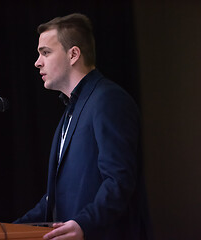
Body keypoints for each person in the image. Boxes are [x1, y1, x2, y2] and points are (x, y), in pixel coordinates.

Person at [14, 13, 152, 240]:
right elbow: (55, 198)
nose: (37, 62)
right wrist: (5, 230)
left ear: (73, 54)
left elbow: (119, 180)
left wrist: (84, 224)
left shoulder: (108, 99)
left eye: (45, 52)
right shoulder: (71, 110)